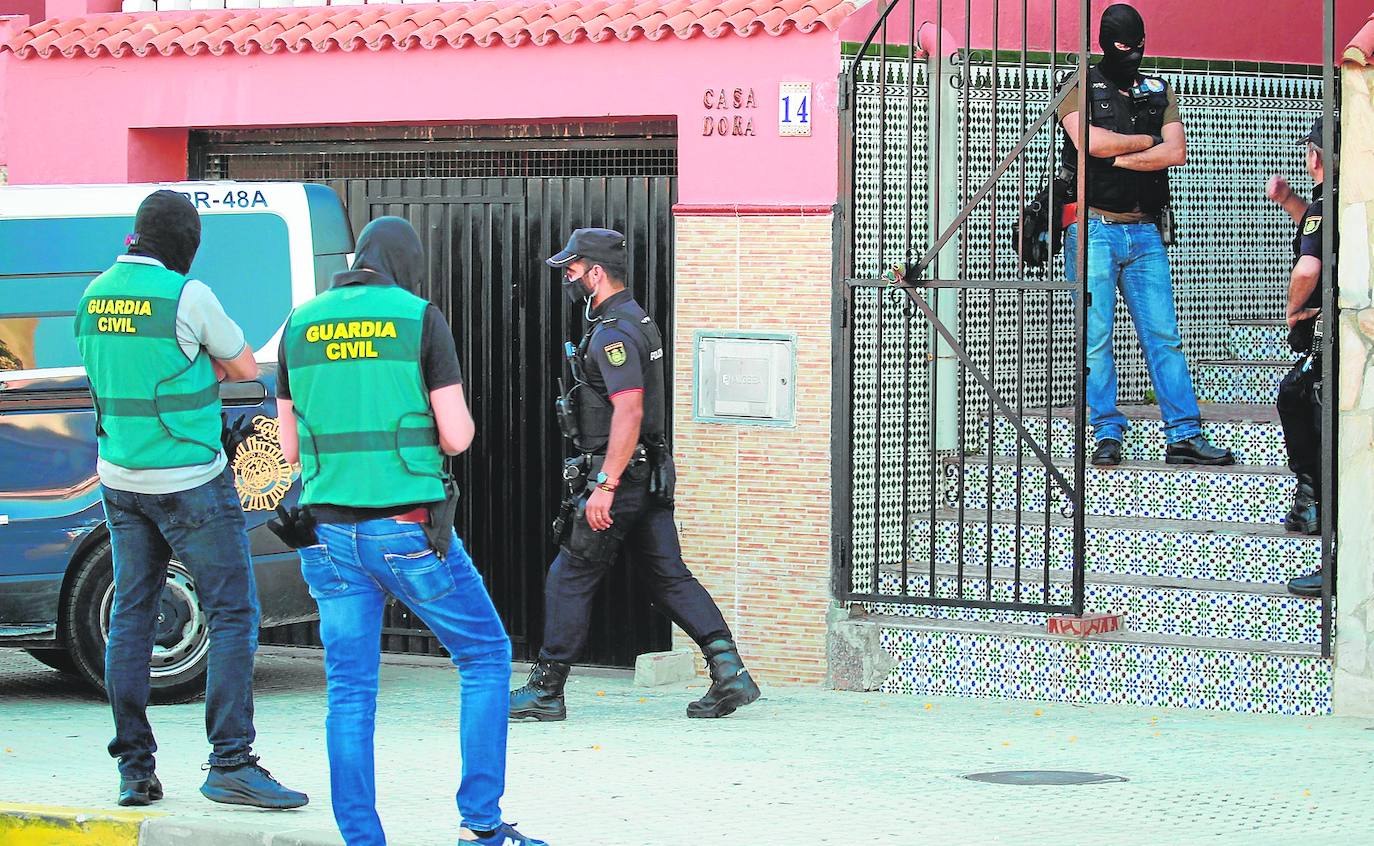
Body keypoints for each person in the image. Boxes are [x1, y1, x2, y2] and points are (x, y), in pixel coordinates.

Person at [274, 216, 546, 846]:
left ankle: (362, 839)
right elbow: (457, 435)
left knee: (349, 693)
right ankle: (481, 825)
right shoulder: (418, 317)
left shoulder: (298, 324)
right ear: (406, 266)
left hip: (327, 538)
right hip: (406, 532)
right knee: (485, 656)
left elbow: (289, 451)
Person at [74, 190, 308, 809]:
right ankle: (230, 762)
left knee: (131, 617)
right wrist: (202, 363)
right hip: (190, 483)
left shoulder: (93, 296)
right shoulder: (187, 296)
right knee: (233, 613)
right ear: (184, 243)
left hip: (120, 481)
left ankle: (135, 771)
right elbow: (244, 370)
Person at [509, 228, 761, 722]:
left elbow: (628, 409)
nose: (568, 278)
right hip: (648, 473)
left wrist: (605, 484)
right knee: (669, 577)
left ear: (596, 272)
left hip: (620, 475)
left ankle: (546, 690)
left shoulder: (614, 333)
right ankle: (729, 671)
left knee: (570, 575)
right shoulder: (635, 320)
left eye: (573, 269)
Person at [1059, 3, 1234, 468]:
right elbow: (1090, 143)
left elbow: (1176, 152)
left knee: (1164, 336)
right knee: (1096, 338)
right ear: (1105, 42)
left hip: (1145, 231)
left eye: (1138, 44)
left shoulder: (1158, 90)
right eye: (1124, 45)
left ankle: (1184, 435)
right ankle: (1106, 432)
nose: (1133, 52)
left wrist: (1118, 156)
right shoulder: (1079, 86)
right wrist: (1145, 142)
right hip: (1093, 229)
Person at [1266, 117, 1335, 598]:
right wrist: (1291, 201)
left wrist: (1293, 311)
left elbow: (1309, 266)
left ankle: (1312, 503)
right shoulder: (1340, 200)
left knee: (1299, 397)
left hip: (1327, 333)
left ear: (1314, 156)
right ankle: (1310, 499)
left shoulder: (1325, 205)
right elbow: (1317, 230)